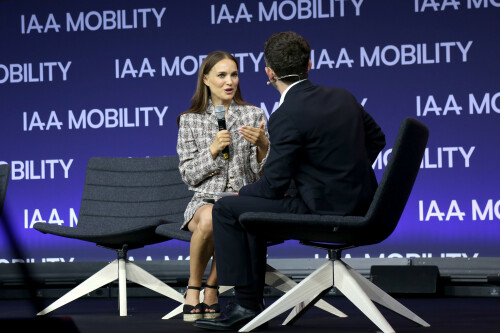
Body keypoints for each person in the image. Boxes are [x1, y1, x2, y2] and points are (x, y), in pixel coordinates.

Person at [193, 31, 386, 330]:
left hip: (323, 212)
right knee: (250, 214)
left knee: (229, 209)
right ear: (310, 64)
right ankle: (249, 303)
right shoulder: (343, 96)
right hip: (366, 207)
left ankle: (245, 305)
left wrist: (241, 192)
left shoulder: (286, 114)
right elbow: (377, 138)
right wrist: (343, 174)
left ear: (269, 73)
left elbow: (273, 186)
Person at [176, 50, 270, 322]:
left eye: (234, 75)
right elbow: (188, 176)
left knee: (229, 218)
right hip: (205, 200)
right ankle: (195, 286)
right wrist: (213, 151)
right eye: (222, 75)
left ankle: (212, 288)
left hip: (242, 200)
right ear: (206, 80)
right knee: (209, 219)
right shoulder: (190, 120)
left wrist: (263, 147)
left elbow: (262, 175)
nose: (230, 81)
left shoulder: (253, 115)